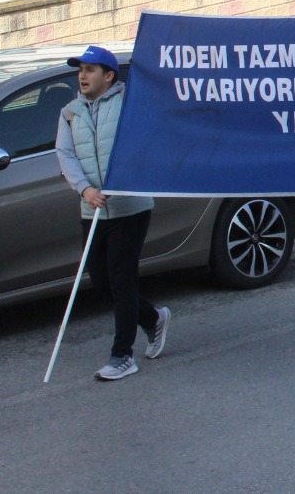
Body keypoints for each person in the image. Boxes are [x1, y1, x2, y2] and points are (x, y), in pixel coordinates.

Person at [55, 46, 169, 381]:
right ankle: (152, 319)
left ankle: (122, 356)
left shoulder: (129, 103)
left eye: (91, 70)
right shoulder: (70, 112)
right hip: (92, 211)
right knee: (101, 280)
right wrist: (85, 190)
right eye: (80, 69)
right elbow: (65, 154)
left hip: (129, 209)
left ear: (109, 76)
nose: (82, 75)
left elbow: (144, 143)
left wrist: (123, 179)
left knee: (121, 279)